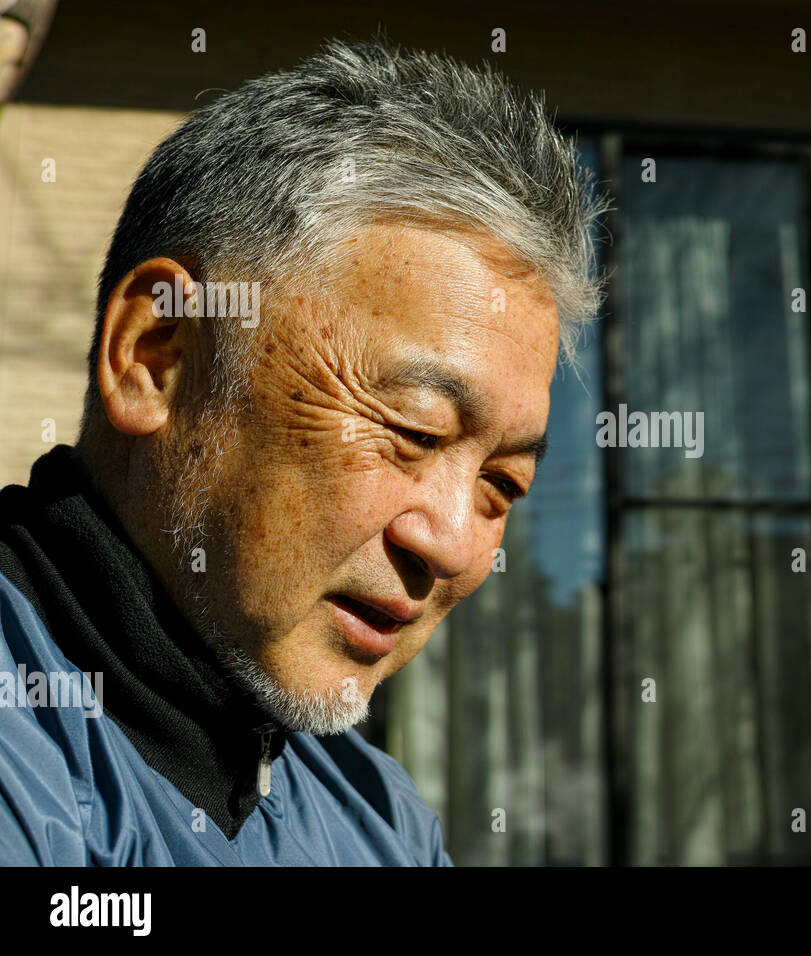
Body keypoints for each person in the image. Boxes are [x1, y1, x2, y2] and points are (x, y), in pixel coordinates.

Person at [0, 38, 605, 865]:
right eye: (415, 431)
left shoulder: (378, 822)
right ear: (158, 356)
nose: (457, 545)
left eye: (506, 484)